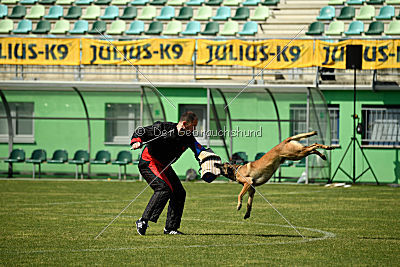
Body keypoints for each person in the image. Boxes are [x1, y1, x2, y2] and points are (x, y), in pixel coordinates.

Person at [130, 111, 206, 235]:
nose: (195, 129)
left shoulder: (188, 137)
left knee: (179, 193)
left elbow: (198, 149)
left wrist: (208, 157)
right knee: (163, 189)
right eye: (194, 126)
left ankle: (171, 228)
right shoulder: (162, 128)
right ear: (185, 123)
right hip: (149, 162)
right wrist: (136, 141)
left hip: (164, 166)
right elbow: (141, 132)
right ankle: (143, 221)